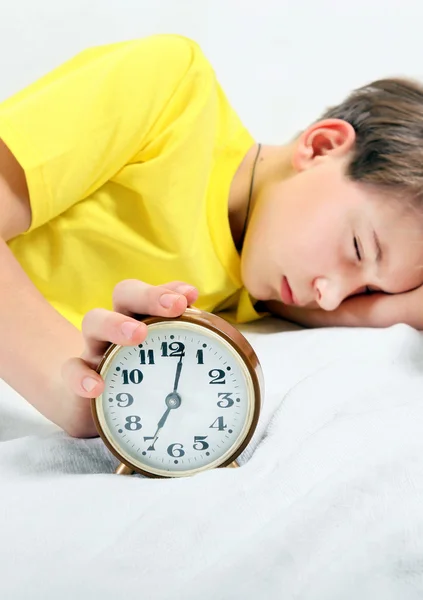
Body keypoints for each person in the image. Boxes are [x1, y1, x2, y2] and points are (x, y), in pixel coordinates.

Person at [1, 34, 423, 438]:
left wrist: (393, 308)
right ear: (322, 146)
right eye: (356, 249)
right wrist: (65, 386)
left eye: (367, 290)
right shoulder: (171, 94)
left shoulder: (260, 279)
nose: (329, 299)